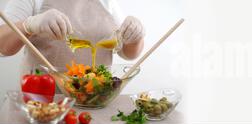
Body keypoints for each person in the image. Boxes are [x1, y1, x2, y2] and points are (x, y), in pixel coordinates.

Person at [0, 0, 145, 74]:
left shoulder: (107, 1)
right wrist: (30, 25)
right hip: (42, 102)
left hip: (97, 99)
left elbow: (127, 53)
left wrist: (135, 37)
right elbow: (2, 47)